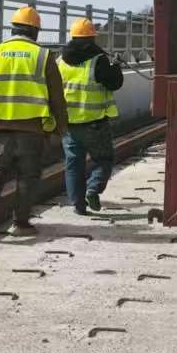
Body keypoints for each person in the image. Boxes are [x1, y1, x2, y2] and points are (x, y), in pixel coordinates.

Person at [0, 5, 67, 238]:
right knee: (28, 175)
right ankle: (20, 223)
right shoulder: (43, 55)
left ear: (13, 29)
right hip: (32, 128)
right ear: (35, 31)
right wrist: (60, 128)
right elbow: (57, 96)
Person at [57, 18, 125, 213]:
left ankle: (78, 205)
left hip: (69, 124)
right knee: (104, 159)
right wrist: (116, 65)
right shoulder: (98, 60)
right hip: (94, 123)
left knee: (73, 164)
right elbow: (114, 83)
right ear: (92, 38)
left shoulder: (60, 61)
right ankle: (93, 189)